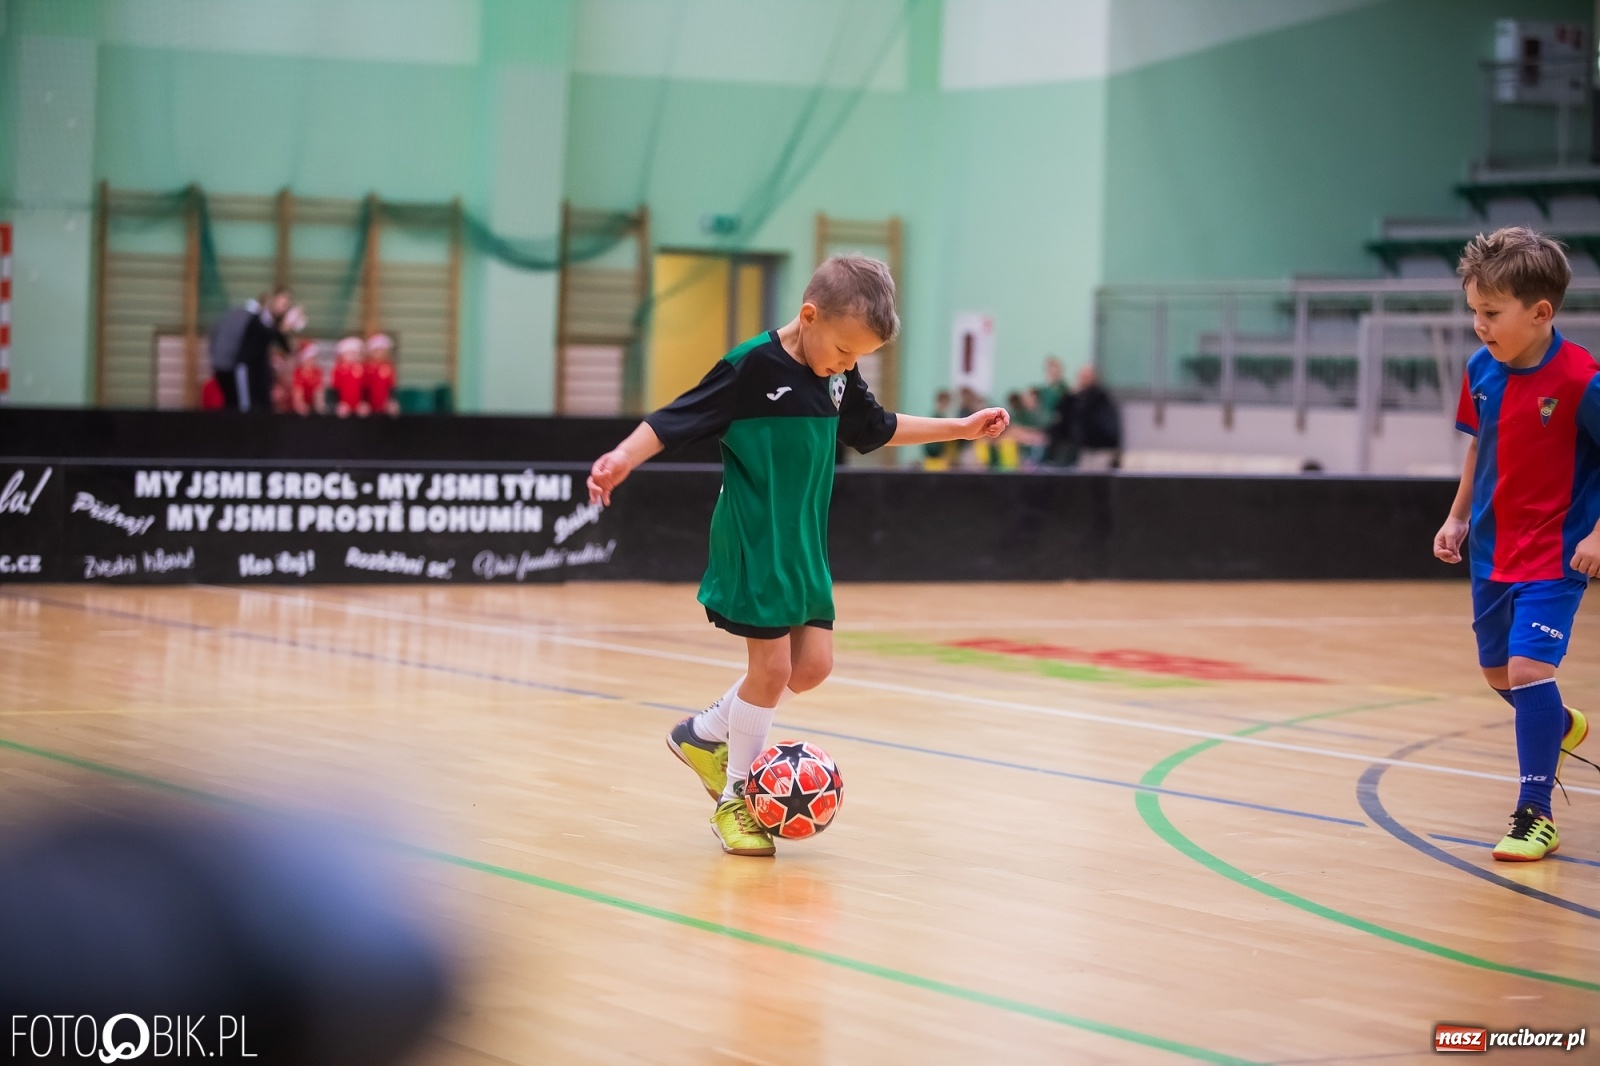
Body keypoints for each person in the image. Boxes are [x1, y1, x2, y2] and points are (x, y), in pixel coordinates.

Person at [587, 255, 1009, 856]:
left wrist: (960, 429)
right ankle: (739, 801)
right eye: (842, 350)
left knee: (812, 667)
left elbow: (877, 428)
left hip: (805, 539)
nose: (847, 365)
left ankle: (703, 734)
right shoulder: (750, 367)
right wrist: (623, 458)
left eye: (857, 358)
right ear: (808, 316)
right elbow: (673, 420)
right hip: (756, 536)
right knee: (773, 670)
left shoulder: (836, 374)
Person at [1433, 226, 1600, 862]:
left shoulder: (1583, 379)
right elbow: (1480, 445)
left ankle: (1535, 814)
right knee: (1497, 673)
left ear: (1540, 312)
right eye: (1473, 311)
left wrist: (1597, 532)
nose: (1478, 326)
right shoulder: (1481, 369)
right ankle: (1557, 724)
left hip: (1555, 554)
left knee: (1531, 670)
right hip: (1491, 551)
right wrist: (1456, 518)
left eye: (1491, 313)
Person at [207, 289, 290, 411]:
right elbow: (266, 337)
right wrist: (284, 327)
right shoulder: (256, 319)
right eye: (282, 304)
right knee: (244, 405)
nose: (284, 309)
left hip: (229, 365)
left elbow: (282, 345)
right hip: (237, 366)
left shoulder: (259, 320)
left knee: (241, 403)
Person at [1071, 366, 1123, 470]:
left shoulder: (1101, 399)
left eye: (1086, 378)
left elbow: (1109, 427)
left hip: (1101, 450)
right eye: (1081, 377)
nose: (1083, 381)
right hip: (1085, 450)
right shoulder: (1079, 398)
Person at [365, 333, 401, 416]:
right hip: (369, 406)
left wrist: (393, 401)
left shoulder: (389, 367)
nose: (380, 353)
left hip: (384, 407)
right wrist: (364, 402)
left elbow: (392, 387)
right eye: (377, 350)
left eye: (383, 350)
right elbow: (364, 387)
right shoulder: (367, 368)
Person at [332, 336, 368, 417]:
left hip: (359, 407)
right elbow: (335, 389)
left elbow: (365, 388)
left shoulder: (362, 369)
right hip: (343, 407)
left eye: (354, 353)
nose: (352, 356)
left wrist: (363, 403)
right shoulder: (338, 370)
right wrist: (338, 404)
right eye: (349, 353)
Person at [290, 340, 326, 416]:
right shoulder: (298, 373)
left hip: (312, 402)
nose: (312, 361)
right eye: (309, 359)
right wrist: (299, 403)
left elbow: (319, 390)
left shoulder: (317, 372)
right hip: (299, 404)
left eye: (314, 358)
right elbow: (297, 391)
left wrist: (319, 404)